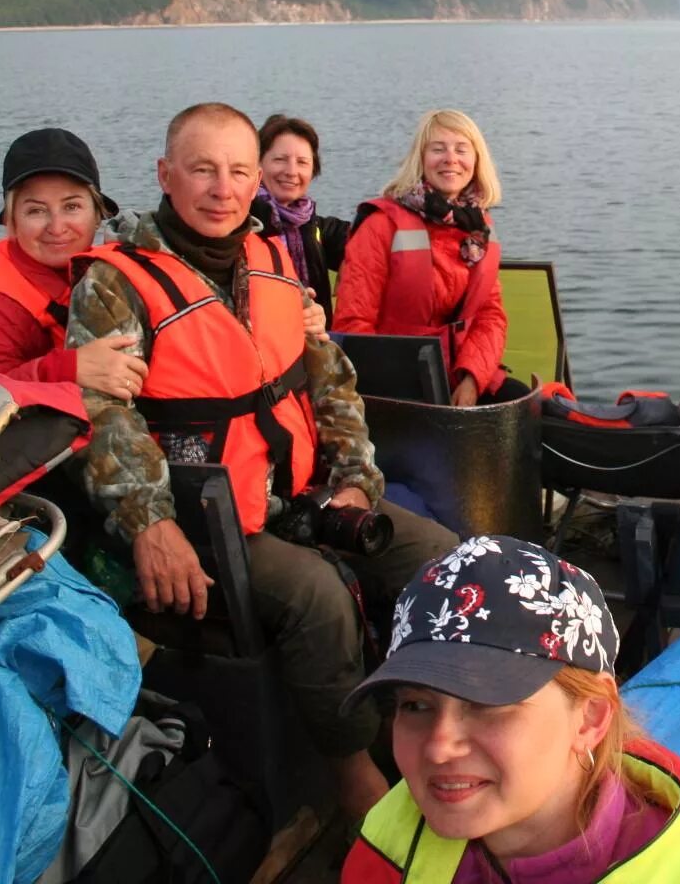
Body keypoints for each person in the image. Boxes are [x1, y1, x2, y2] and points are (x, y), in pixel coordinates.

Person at [65, 102, 458, 830]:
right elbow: (106, 419)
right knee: (315, 597)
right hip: (203, 515)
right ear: (165, 175)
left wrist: (352, 482)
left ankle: (433, 718)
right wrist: (151, 525)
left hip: (299, 492)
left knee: (438, 559)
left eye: (238, 171)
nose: (222, 189)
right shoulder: (115, 285)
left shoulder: (272, 258)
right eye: (203, 170)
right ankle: (348, 773)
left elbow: (330, 381)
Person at [340, 535, 680, 883]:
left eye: (490, 703)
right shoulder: (399, 826)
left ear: (592, 717)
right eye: (417, 705)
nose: (440, 747)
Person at [0, 127, 148, 400]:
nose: (57, 228)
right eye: (36, 211)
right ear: (12, 222)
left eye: (71, 207)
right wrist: (66, 369)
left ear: (97, 215)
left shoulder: (100, 271)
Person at [336, 108, 525, 407]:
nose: (451, 158)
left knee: (529, 408)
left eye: (461, 149)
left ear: (476, 161)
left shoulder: (479, 226)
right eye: (438, 149)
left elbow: (491, 316)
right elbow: (353, 323)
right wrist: (400, 393)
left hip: (463, 372)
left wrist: (472, 379)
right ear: (420, 159)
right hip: (397, 385)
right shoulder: (380, 224)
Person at [253, 113, 350, 329]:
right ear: (257, 164)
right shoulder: (243, 222)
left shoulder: (309, 224)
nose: (291, 171)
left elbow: (365, 236)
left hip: (312, 345)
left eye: (302, 162)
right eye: (280, 160)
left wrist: (350, 261)